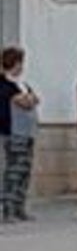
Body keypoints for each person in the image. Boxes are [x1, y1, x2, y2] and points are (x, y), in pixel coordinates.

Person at [0, 48, 37, 222]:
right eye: (20, 62)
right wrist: (27, 99)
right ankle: (8, 209)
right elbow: (21, 101)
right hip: (12, 132)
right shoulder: (4, 83)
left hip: (27, 132)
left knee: (25, 171)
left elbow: (34, 99)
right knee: (13, 172)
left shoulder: (22, 83)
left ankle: (20, 206)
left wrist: (29, 98)